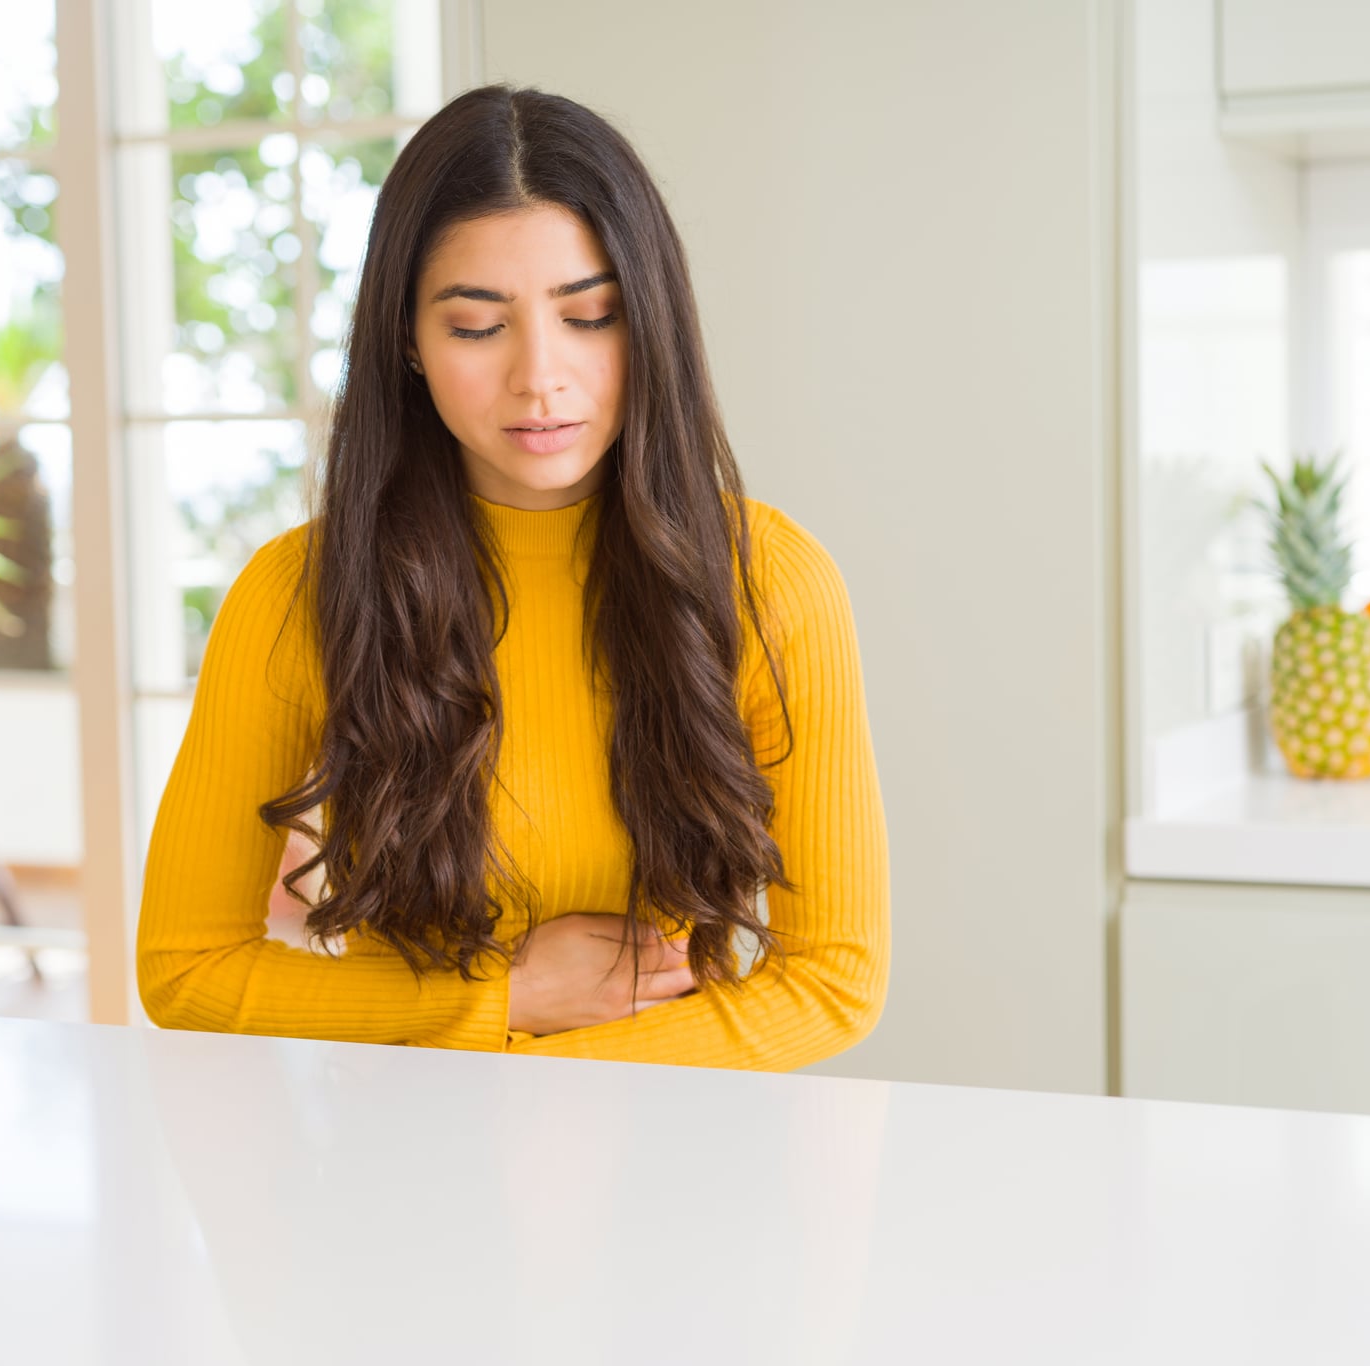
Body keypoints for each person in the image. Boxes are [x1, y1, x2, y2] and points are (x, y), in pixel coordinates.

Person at [135, 85, 889, 1070]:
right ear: (406, 340)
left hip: (681, 1166)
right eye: (477, 327)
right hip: (409, 1170)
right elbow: (184, 969)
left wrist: (526, 1077)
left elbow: (833, 980)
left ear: (650, 322)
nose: (540, 377)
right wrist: (504, 997)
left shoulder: (769, 580)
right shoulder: (296, 593)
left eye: (589, 316)